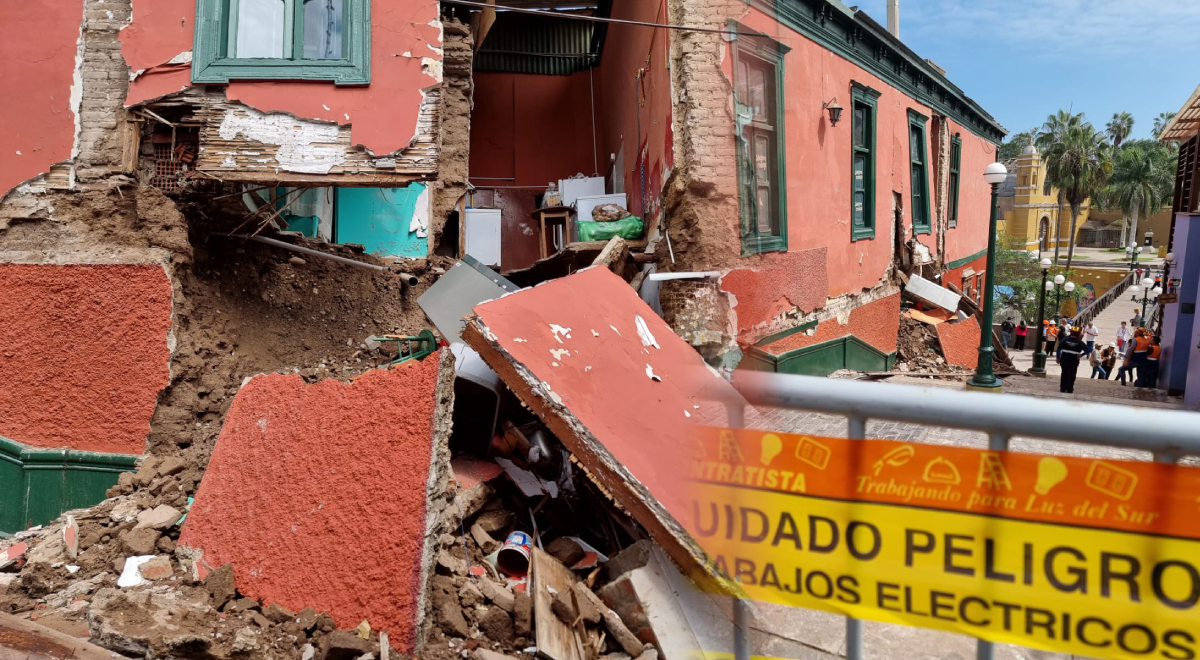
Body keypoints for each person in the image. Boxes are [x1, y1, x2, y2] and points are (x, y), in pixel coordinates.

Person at [1056, 327, 1087, 394]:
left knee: (1064, 373)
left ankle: (1063, 388)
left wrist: (1058, 358)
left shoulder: (1064, 340)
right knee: (1072, 375)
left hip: (1064, 359)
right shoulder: (1080, 342)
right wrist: (1082, 354)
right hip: (1074, 360)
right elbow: (1089, 350)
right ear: (1078, 334)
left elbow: (1058, 349)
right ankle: (1069, 389)